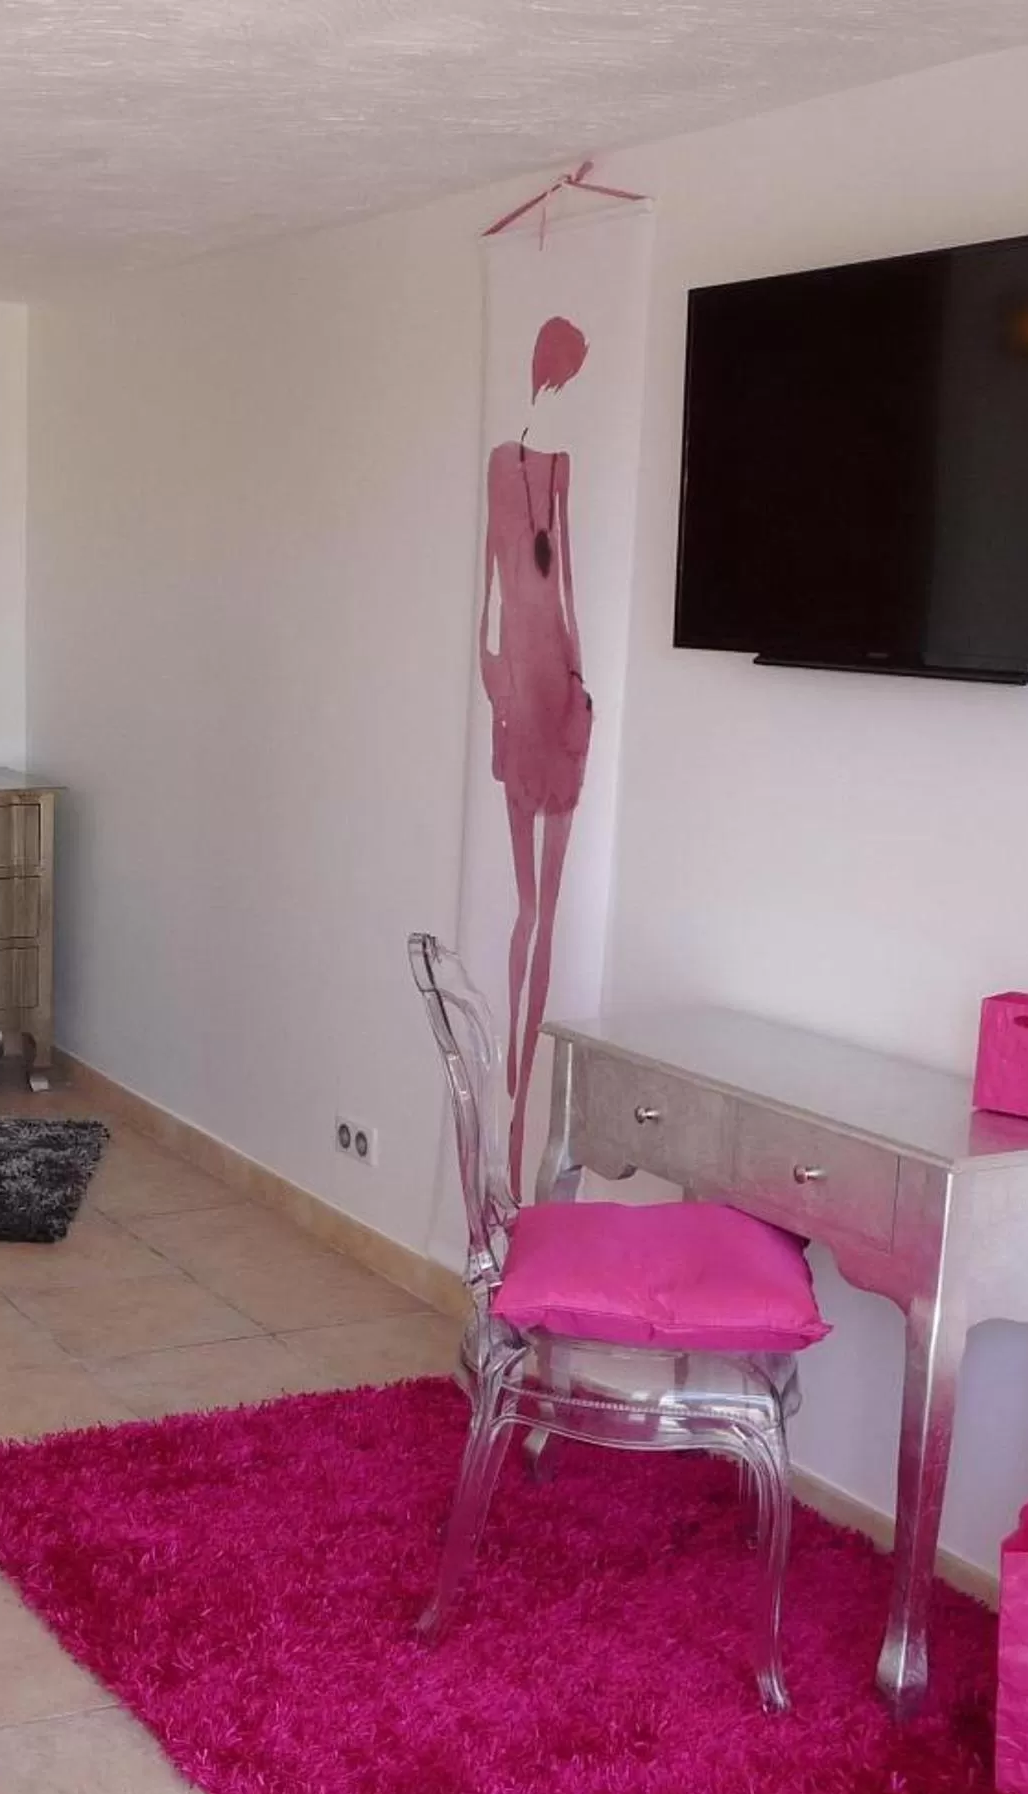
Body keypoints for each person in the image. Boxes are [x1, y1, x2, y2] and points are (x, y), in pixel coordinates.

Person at [477, 314, 594, 1181]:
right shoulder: (531, 464)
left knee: (537, 901)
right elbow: (546, 588)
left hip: (535, 683)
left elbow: (541, 590)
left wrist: (512, 678)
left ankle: (520, 1095)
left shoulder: (532, 462)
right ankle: (514, 1093)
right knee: (535, 903)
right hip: (535, 682)